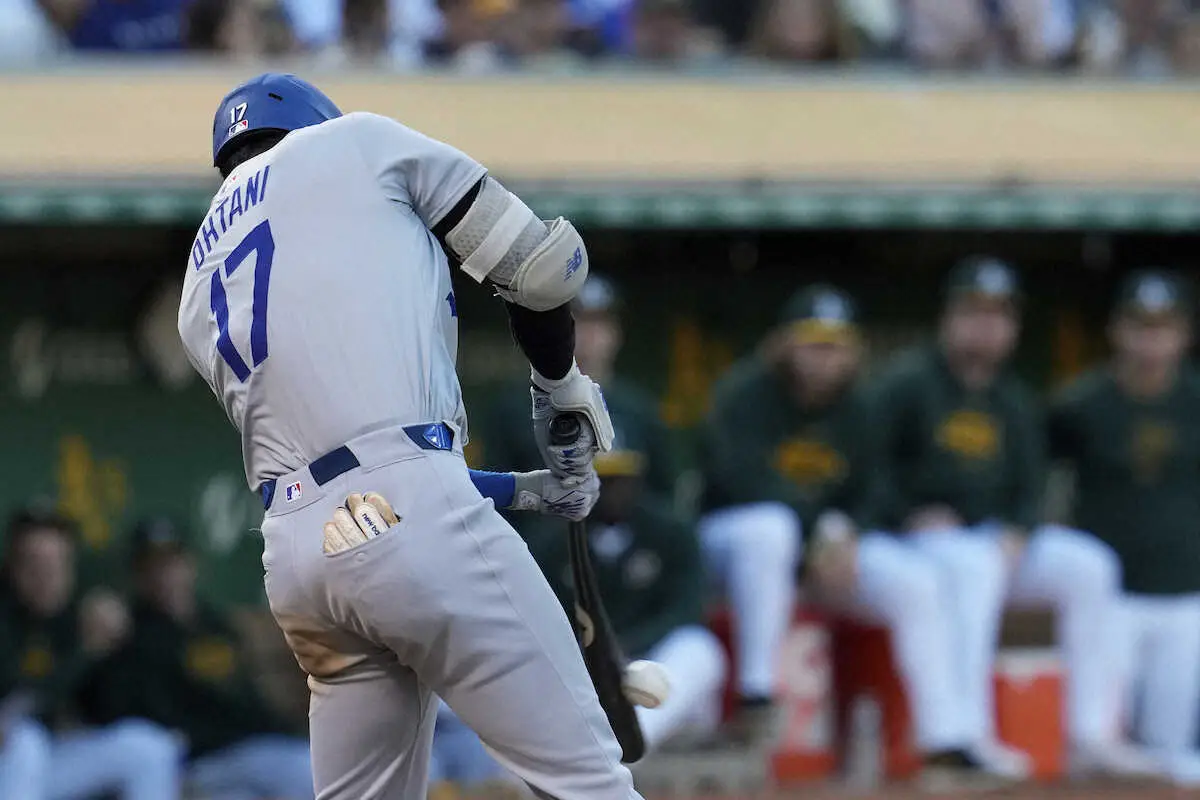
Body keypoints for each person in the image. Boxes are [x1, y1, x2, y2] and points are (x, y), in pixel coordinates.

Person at [176, 73, 637, 800]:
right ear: (315, 121)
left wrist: (522, 490)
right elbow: (544, 270)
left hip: (300, 559)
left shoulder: (197, 278)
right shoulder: (351, 142)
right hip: (404, 514)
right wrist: (558, 387)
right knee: (587, 783)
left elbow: (346, 475)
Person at [870, 256, 1141, 779]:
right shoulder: (906, 385)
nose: (985, 326)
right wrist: (906, 515)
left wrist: (1022, 528)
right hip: (921, 542)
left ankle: (1091, 734)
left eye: (998, 315)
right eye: (974, 312)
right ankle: (965, 736)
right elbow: (869, 467)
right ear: (949, 317)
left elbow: (1032, 485)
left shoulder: (1014, 398)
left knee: (1090, 567)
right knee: (975, 564)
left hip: (997, 540)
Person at [732, 285, 988, 783]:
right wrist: (818, 535)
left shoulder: (862, 406)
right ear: (785, 343)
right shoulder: (746, 395)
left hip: (832, 553)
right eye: (813, 343)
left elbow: (877, 491)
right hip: (749, 551)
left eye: (835, 345)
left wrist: (844, 533)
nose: (824, 357)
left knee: (916, 582)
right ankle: (756, 694)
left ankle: (945, 741)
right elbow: (740, 482)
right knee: (770, 529)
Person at [1049, 270, 1200, 783]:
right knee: (1100, 750)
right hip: (1110, 601)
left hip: (1186, 597)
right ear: (1117, 330)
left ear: (1184, 334)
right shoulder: (1079, 405)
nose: (1151, 341)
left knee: (1173, 753)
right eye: (1140, 326)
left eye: (1163, 327)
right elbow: (1045, 486)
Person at [523, 421, 727, 753]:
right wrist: (597, 654)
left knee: (701, 650)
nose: (609, 490)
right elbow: (539, 617)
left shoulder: (670, 532)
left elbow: (687, 608)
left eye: (619, 479)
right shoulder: (553, 540)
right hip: (585, 671)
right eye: (599, 479)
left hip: (654, 662)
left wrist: (627, 645)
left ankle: (624, 746)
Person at [81, 517, 314, 799]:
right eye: (152, 567)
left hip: (247, 751)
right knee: (308, 772)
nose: (165, 575)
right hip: (197, 763)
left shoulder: (214, 625)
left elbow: (248, 698)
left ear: (190, 565)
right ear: (137, 576)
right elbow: (135, 717)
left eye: (171, 563)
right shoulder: (133, 636)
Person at [0, 507, 183, 800]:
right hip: (10, 762)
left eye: (57, 565)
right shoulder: (7, 620)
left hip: (54, 761)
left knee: (150, 748)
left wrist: (115, 646)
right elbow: (23, 705)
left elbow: (112, 707)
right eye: (34, 564)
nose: (46, 577)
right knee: (25, 740)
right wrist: (85, 653)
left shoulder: (75, 617)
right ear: (12, 567)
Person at [478, 273, 677, 507]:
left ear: (616, 333)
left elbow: (663, 496)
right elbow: (495, 498)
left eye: (599, 322)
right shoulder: (514, 408)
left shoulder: (639, 409)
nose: (589, 334)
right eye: (576, 319)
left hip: (624, 528)